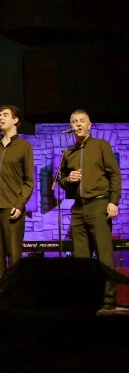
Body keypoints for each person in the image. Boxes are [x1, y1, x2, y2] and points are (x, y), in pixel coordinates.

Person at [58, 109, 121, 311]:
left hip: (99, 205)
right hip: (78, 208)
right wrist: (68, 179)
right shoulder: (68, 152)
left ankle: (109, 300)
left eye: (82, 121)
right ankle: (85, 300)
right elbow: (60, 180)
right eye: (74, 121)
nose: (78, 124)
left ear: (89, 125)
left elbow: (114, 175)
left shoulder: (101, 146)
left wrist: (113, 201)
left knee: (104, 256)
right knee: (81, 259)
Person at [0, 105, 34, 277]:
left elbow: (29, 181)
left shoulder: (24, 147)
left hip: (12, 209)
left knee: (14, 255)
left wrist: (20, 204)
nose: (0, 117)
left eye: (5, 115)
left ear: (15, 120)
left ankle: (14, 290)